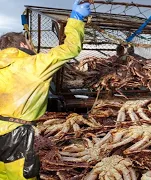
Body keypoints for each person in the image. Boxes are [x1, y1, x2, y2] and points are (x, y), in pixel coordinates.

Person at [0, 0, 90, 179]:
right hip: (17, 137)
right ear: (24, 45)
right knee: (19, 175)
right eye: (30, 43)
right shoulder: (34, 64)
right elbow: (71, 49)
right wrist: (77, 19)